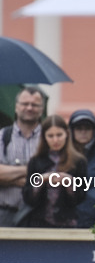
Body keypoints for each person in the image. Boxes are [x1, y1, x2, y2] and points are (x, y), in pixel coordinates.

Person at [21, 115, 88, 228]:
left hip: (67, 223)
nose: (55, 140)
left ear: (66, 134)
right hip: (39, 223)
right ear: (44, 137)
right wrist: (41, 180)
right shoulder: (36, 161)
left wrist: (69, 183)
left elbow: (81, 197)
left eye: (59, 135)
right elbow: (28, 197)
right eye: (50, 136)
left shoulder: (78, 161)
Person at [0, 87, 45, 226]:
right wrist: (32, 171)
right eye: (25, 104)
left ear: (42, 109)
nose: (29, 108)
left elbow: (54, 173)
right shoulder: (2, 136)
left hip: (39, 215)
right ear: (16, 107)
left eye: (35, 105)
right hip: (5, 215)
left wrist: (10, 176)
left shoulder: (49, 138)